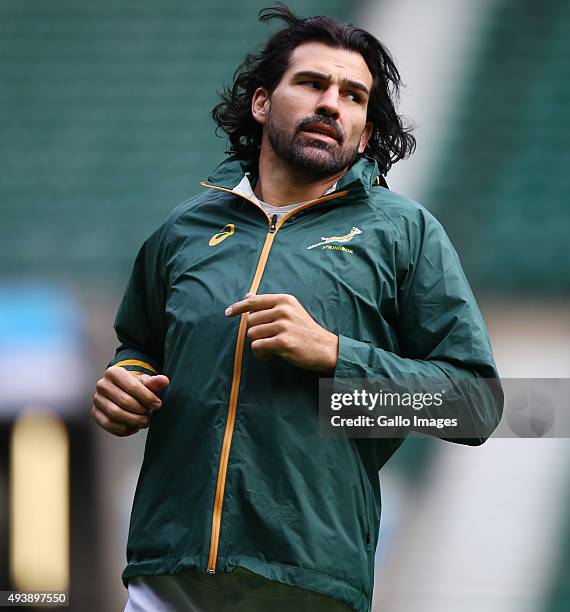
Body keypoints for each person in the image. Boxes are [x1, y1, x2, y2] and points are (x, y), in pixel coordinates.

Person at [91, 5, 504, 612]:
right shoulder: (183, 230)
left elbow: (474, 405)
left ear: (364, 131)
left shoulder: (404, 232)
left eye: (353, 95)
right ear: (262, 103)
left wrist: (336, 356)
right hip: (168, 577)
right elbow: (139, 347)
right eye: (312, 83)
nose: (331, 104)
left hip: (307, 583)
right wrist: (123, 383)